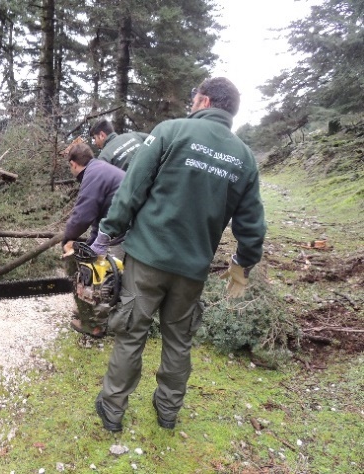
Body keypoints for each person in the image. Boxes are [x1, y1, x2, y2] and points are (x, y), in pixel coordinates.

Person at [89, 77, 266, 432]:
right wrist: (242, 264)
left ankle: (112, 410)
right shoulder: (244, 158)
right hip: (192, 269)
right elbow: (252, 224)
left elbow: (133, 188)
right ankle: (168, 412)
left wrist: (107, 232)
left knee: (131, 333)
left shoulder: (170, 131)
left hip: (146, 259)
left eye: (193, 98)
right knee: (178, 341)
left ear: (203, 100)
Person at [61, 142, 125, 338]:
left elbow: (83, 214)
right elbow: (99, 214)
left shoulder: (93, 174)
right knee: (94, 266)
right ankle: (88, 311)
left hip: (119, 233)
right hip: (118, 229)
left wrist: (67, 239)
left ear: (73, 164)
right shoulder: (101, 169)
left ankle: (93, 324)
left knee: (91, 272)